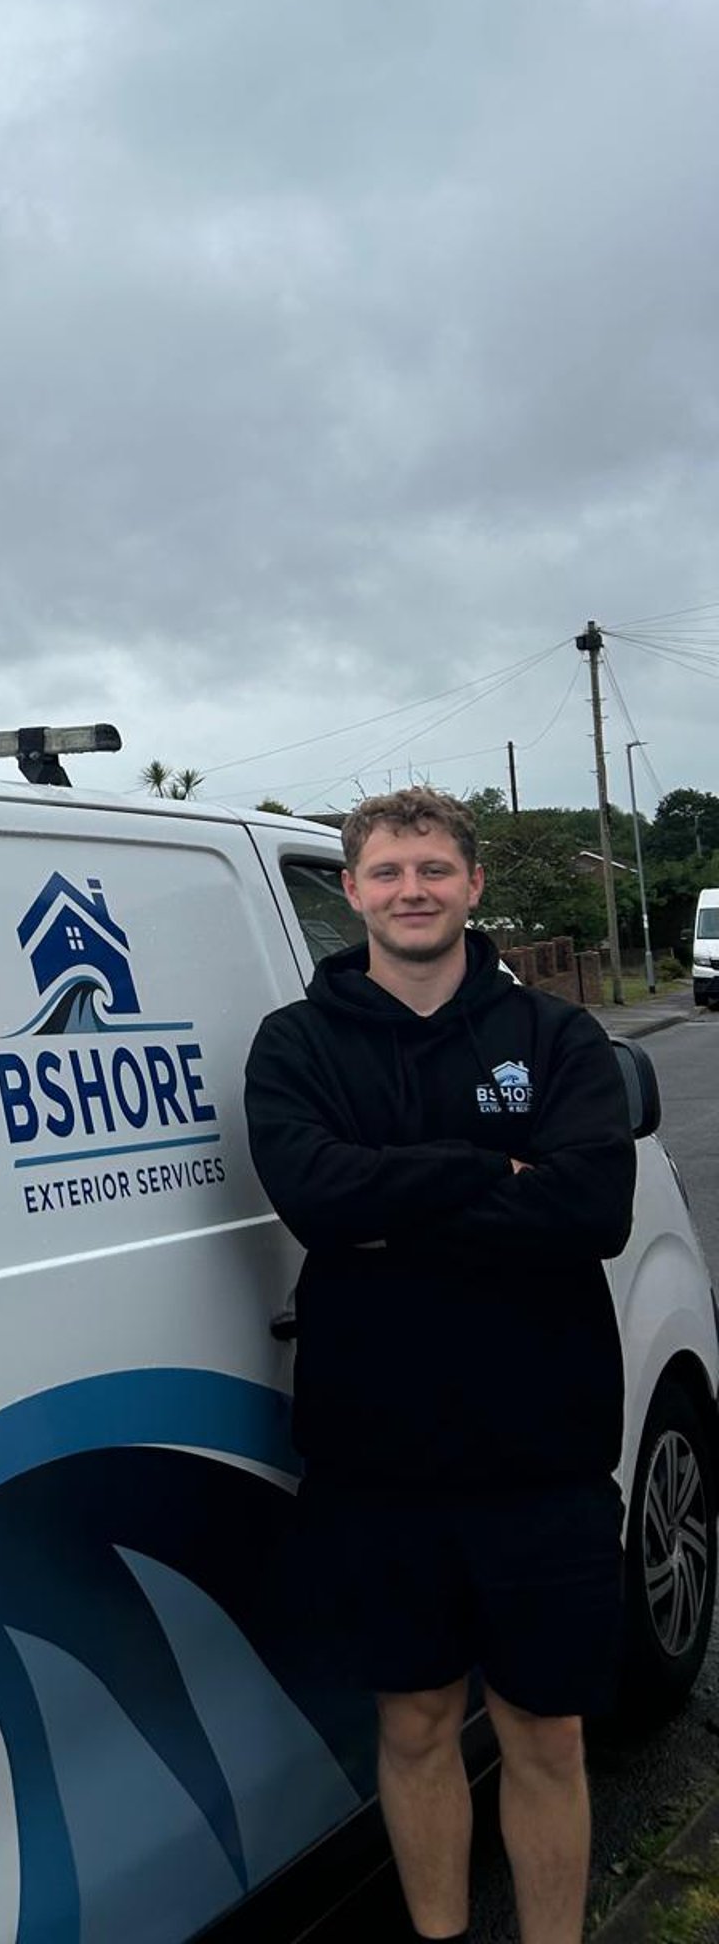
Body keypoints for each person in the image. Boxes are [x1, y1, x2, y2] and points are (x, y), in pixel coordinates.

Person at [245, 786, 635, 1944]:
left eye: (433, 869)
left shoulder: (556, 1036)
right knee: (414, 1726)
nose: (411, 889)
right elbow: (316, 1195)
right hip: (381, 1461)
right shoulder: (297, 1043)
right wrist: (497, 1175)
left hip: (545, 1456)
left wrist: (397, 1195)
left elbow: (596, 1204)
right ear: (352, 890)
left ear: (472, 885)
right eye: (386, 871)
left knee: (546, 1732)